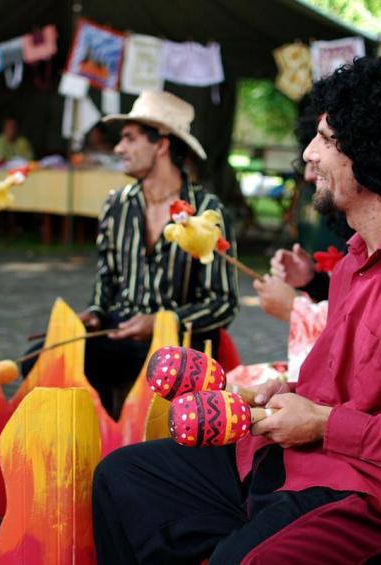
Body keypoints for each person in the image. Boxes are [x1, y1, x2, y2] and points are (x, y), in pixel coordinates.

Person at [92, 56, 381, 563]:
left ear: (375, 150)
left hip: (372, 500)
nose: (309, 155)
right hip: (292, 463)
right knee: (122, 478)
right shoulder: (356, 260)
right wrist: (285, 392)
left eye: (327, 140)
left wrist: (325, 424)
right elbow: (339, 392)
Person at [58, 90, 238, 418]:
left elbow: (223, 303)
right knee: (45, 358)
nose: (118, 148)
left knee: (154, 374)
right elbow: (107, 277)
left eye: (129, 138)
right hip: (118, 332)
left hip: (179, 347)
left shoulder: (208, 211)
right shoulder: (117, 204)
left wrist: (162, 321)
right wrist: (96, 312)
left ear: (162, 144)